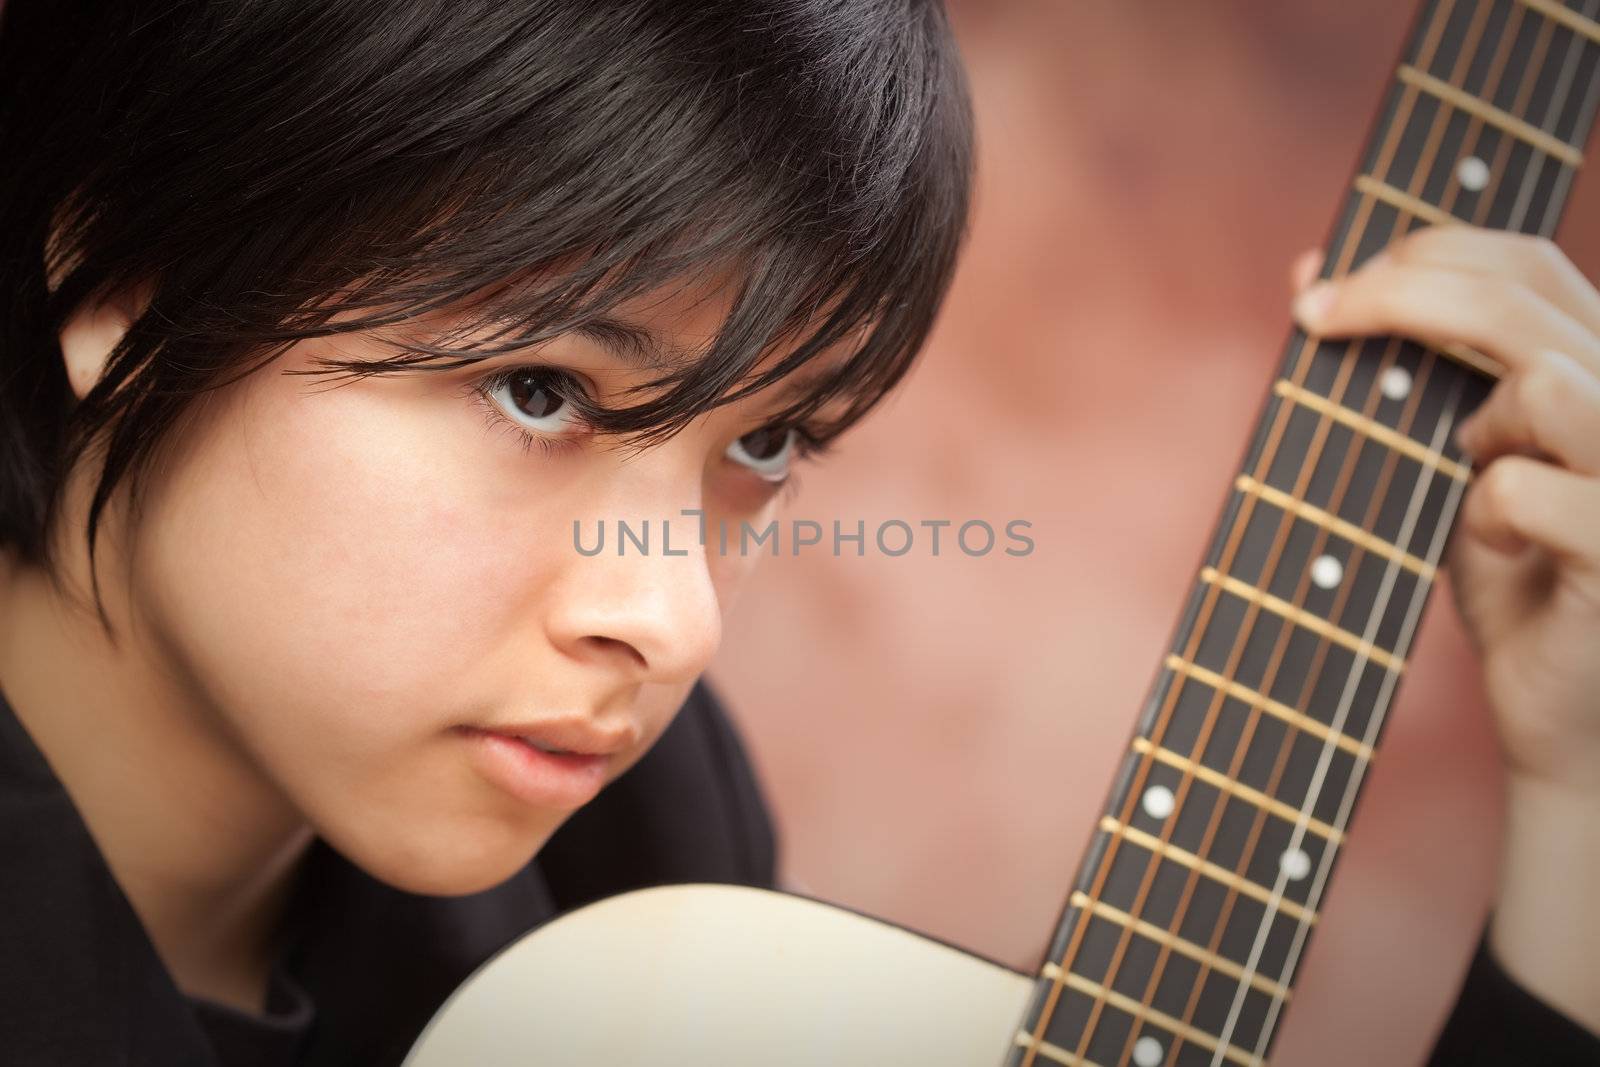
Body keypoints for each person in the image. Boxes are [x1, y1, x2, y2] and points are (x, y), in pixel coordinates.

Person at [0, 1, 1593, 1064]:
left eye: (762, 441)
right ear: (116, 276)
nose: (675, 620)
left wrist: (1581, 801)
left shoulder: (642, 885)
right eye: (540, 389)